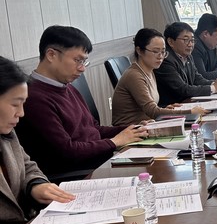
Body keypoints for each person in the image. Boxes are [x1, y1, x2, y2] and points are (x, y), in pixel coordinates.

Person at [15, 26, 147, 179]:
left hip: (99, 163)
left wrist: (133, 129)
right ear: (51, 55)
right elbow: (67, 151)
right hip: (75, 175)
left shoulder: (67, 87)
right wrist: (114, 142)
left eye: (85, 61)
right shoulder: (33, 97)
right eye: (78, 60)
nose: (82, 68)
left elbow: (94, 129)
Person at [0, 56, 76, 224]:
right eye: (15, 104)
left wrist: (35, 186)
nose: (21, 113)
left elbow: (27, 167)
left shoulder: (6, 134)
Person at [112, 28, 208, 125]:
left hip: (146, 125)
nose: (160, 56)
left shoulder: (150, 71)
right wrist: (190, 112)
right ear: (139, 51)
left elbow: (151, 108)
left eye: (163, 52)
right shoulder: (134, 75)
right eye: (155, 51)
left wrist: (164, 108)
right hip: (129, 129)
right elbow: (152, 111)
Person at [155, 22, 217, 107]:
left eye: (192, 40)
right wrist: (214, 88)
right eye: (186, 40)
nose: (190, 44)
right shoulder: (165, 60)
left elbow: (197, 79)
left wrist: (216, 83)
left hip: (186, 103)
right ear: (171, 42)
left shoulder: (188, 56)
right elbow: (183, 89)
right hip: (171, 108)